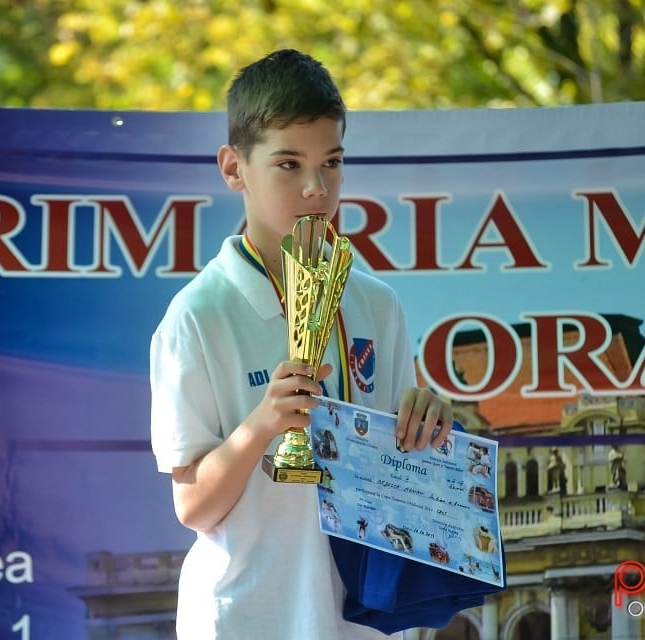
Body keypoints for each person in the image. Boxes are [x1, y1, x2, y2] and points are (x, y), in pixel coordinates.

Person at [149, 49, 454, 639]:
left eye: (332, 163)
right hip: (247, 618)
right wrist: (261, 425)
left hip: (357, 622)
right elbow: (192, 507)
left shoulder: (374, 303)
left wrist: (427, 423)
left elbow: (394, 470)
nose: (317, 188)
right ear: (234, 168)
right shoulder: (197, 317)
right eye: (288, 164)